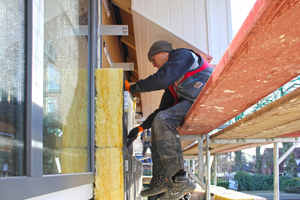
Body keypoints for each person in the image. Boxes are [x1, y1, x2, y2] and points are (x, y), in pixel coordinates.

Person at [125, 40, 213, 200]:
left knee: (163, 120)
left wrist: (132, 88)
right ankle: (161, 180)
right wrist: (140, 128)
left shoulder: (184, 55)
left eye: (153, 60)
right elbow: (162, 110)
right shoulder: (173, 85)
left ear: (163, 52)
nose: (153, 65)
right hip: (194, 104)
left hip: (208, 99)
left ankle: (180, 180)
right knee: (159, 123)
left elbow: (161, 79)